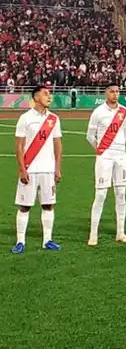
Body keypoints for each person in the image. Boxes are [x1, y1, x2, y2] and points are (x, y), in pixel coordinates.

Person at [12, 85, 63, 253]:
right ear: (35, 98)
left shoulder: (54, 119)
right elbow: (19, 146)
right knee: (25, 206)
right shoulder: (25, 118)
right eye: (45, 94)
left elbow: (58, 144)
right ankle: (21, 241)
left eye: (49, 94)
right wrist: (22, 169)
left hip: (48, 170)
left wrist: (57, 168)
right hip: (30, 169)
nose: (49, 96)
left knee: (48, 205)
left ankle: (47, 240)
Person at [86, 83, 126, 246]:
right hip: (104, 157)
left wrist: (117, 147)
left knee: (121, 193)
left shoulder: (124, 112)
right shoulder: (98, 112)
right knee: (101, 194)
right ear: (106, 93)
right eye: (112, 91)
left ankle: (120, 232)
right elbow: (90, 136)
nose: (115, 94)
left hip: (121, 157)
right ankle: (93, 234)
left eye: (117, 92)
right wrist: (102, 149)